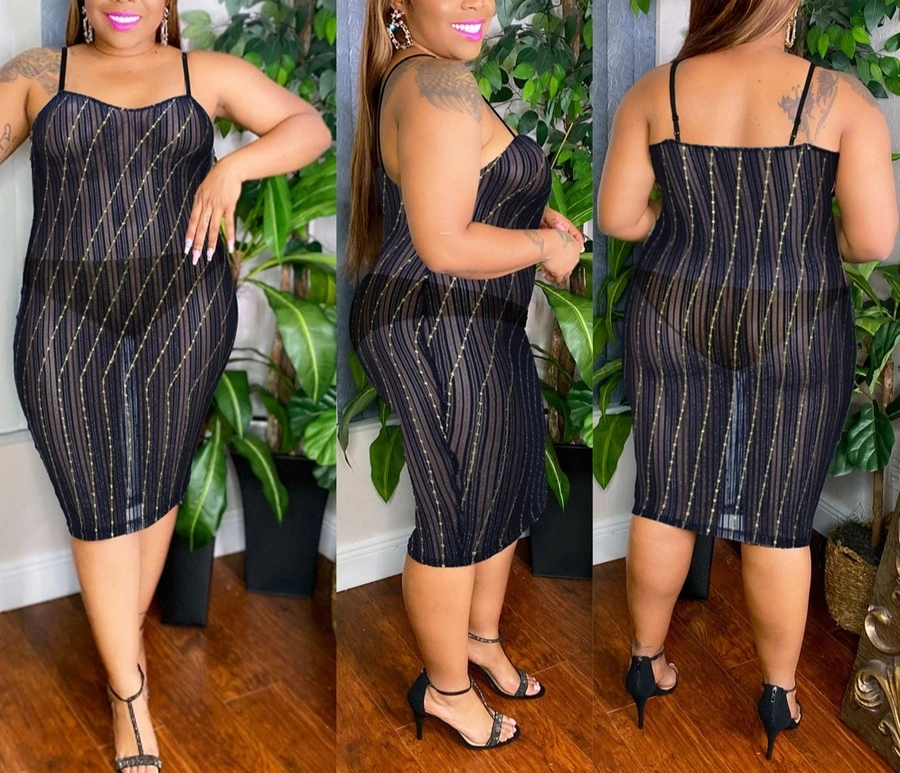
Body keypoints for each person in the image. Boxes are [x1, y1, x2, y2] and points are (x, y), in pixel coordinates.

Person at [0, 1, 331, 770]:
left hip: (184, 312)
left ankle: (125, 656)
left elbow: (308, 127)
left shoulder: (203, 72)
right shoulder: (37, 72)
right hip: (62, 314)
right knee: (94, 504)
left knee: (156, 485)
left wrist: (232, 166)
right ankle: (130, 693)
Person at [598, 0, 898, 760]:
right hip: (798, 313)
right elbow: (871, 239)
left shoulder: (656, 89)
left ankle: (645, 662)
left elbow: (620, 218)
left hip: (673, 304)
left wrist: (687, 226)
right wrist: (807, 235)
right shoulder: (841, 100)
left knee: (665, 496)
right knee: (777, 516)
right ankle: (777, 693)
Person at [346, 0, 583, 751]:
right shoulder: (433, 82)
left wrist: (536, 223)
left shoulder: (436, 78)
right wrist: (545, 251)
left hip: (477, 317)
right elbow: (444, 243)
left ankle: (479, 641)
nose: (478, 4)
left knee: (507, 480)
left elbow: (468, 195)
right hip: (433, 321)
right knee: (456, 512)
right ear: (398, 5)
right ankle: (445, 689)